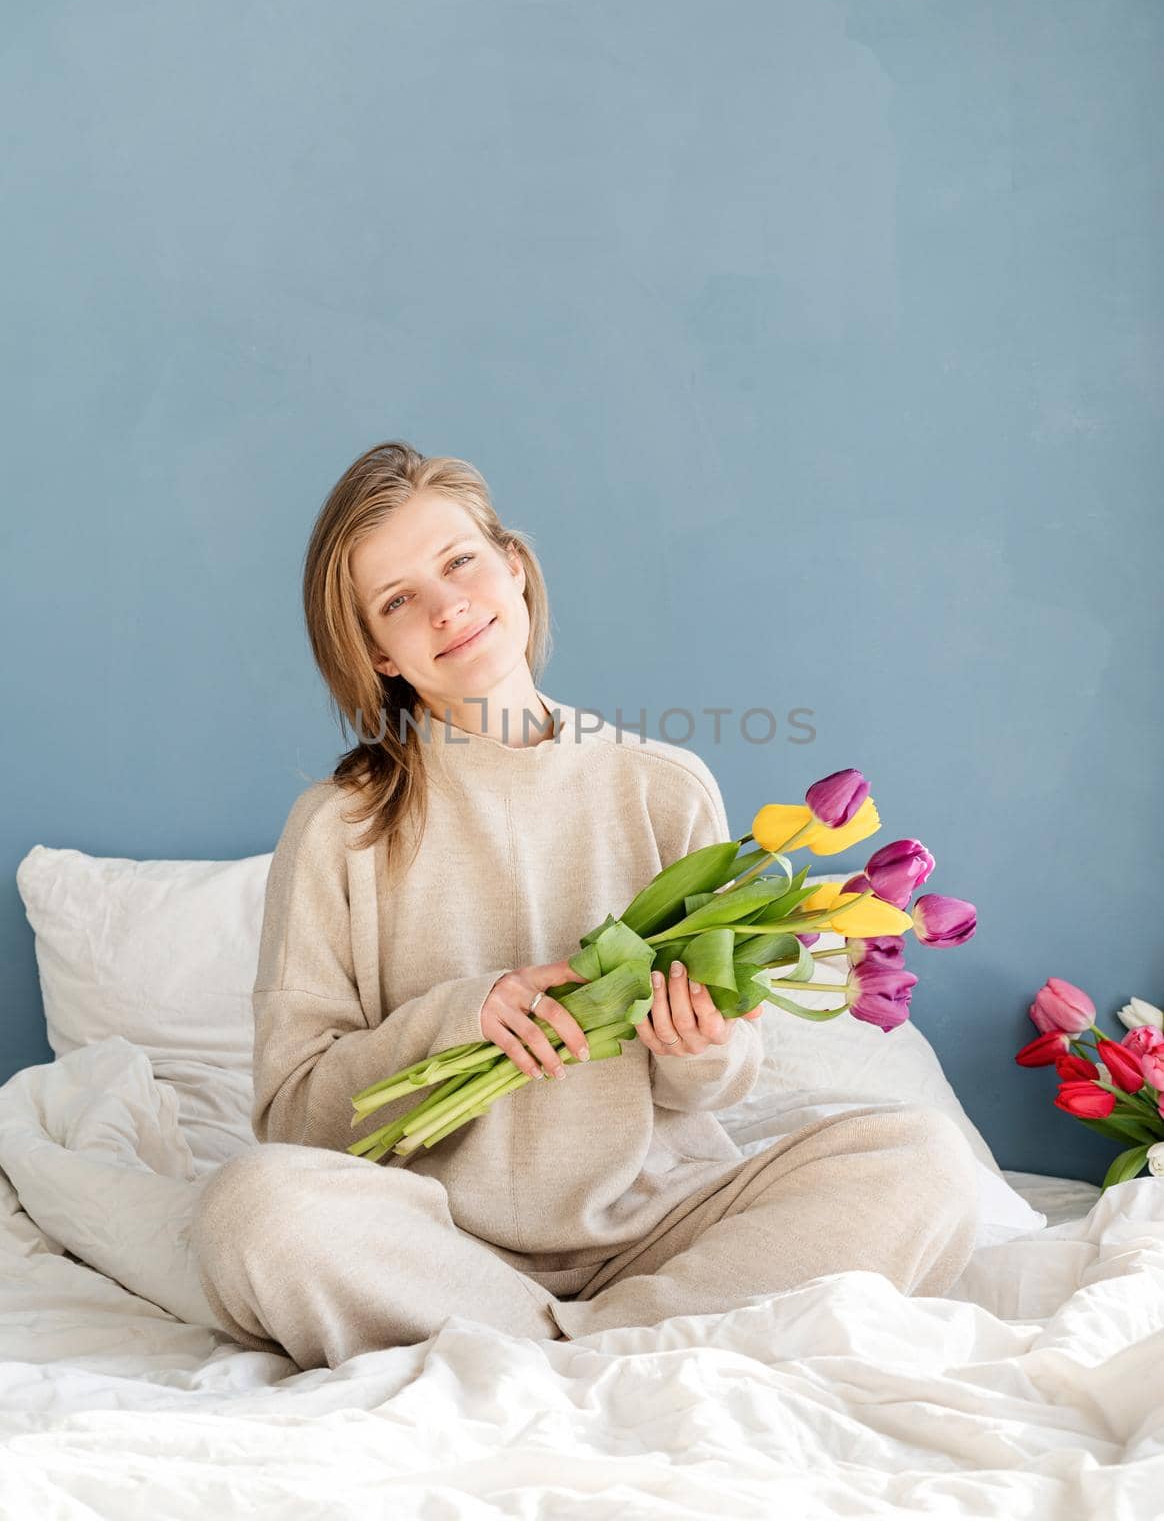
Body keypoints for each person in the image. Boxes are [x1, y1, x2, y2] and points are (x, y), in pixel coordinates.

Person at [192, 439, 979, 1370]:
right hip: (435, 1241)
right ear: (375, 651)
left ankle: (551, 1350)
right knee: (253, 1209)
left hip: (663, 1226)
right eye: (398, 600)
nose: (448, 606)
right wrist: (458, 1021)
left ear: (514, 569)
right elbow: (292, 1117)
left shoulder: (664, 786)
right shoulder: (338, 828)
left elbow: (726, 1076)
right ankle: (626, 1351)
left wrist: (703, 1047)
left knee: (927, 1162)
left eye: (460, 563)